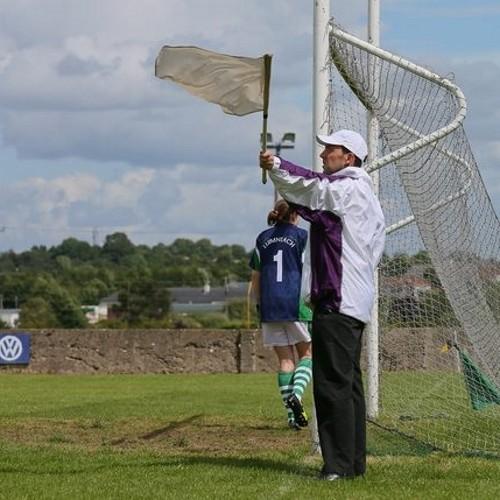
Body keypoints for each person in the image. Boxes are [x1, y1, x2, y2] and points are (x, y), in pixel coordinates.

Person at [259, 130, 385, 481]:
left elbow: (311, 188)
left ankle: (338, 467)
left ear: (349, 158)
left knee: (331, 385)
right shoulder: (362, 194)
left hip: (338, 299)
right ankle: (352, 463)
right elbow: (309, 198)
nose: (323, 154)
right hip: (355, 300)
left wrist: (276, 165)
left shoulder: (344, 189)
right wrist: (281, 177)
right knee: (349, 386)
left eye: (330, 149)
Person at [249, 199, 313, 430]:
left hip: (269, 305)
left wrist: (259, 304)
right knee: (307, 355)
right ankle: (297, 394)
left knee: (286, 361)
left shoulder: (262, 238)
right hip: (294, 302)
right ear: (296, 214)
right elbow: (309, 270)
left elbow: (256, 277)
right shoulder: (302, 237)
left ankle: (291, 417)